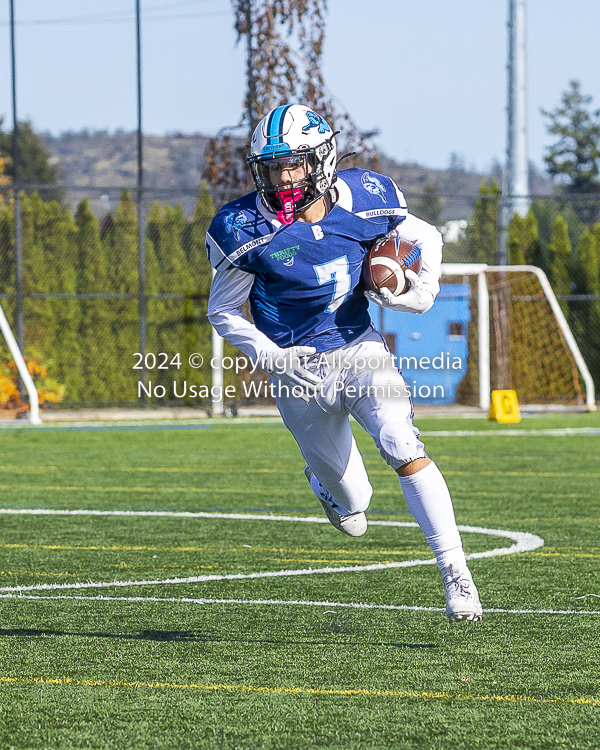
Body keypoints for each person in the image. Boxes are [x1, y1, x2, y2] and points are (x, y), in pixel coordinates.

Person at [206, 104, 482, 622]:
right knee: (354, 508)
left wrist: (420, 291)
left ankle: (455, 572)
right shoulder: (243, 226)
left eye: (294, 164)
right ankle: (325, 483)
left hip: (358, 346)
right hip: (297, 366)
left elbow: (426, 236)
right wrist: (270, 355)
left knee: (402, 442)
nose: (283, 177)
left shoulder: (366, 196)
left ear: (323, 161)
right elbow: (220, 309)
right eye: (272, 167)